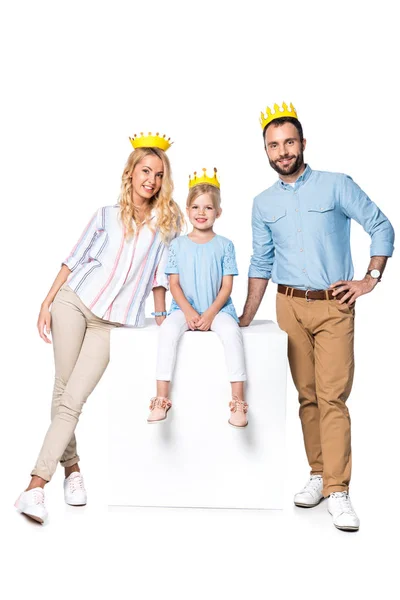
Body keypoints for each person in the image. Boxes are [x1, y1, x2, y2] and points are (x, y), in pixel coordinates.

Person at [239, 102, 395, 531]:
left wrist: (369, 279)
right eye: (273, 146)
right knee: (306, 396)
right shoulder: (262, 202)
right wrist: (246, 318)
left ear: (303, 143)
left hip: (333, 306)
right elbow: (261, 261)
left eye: (289, 142)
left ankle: (339, 490)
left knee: (332, 397)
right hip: (288, 306)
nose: (282, 151)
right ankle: (317, 474)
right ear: (266, 152)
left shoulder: (336, 185)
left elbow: (381, 227)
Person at [15, 133, 184, 524]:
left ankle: (38, 484)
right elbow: (74, 259)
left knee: (72, 398)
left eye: (159, 174)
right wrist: (46, 302)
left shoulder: (166, 226)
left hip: (115, 321)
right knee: (62, 391)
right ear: (131, 173)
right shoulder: (106, 214)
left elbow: (160, 277)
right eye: (145, 171)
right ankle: (55, 479)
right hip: (74, 301)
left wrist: (162, 320)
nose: (151, 180)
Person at [147, 168, 248, 428]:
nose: (201, 213)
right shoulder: (178, 245)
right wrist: (190, 313)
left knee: (231, 335)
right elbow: (174, 284)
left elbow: (226, 287)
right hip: (184, 308)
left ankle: (238, 401)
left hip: (218, 309)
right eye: (195, 207)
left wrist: (211, 313)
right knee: (168, 331)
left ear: (218, 212)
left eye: (208, 208)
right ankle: (161, 398)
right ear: (188, 210)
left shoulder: (225, 245)